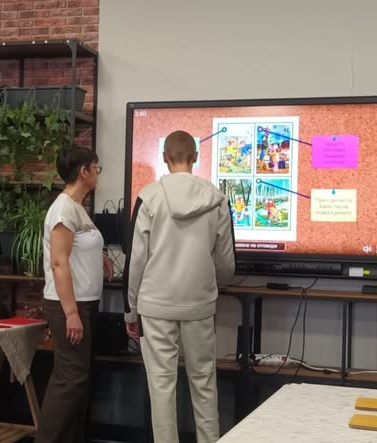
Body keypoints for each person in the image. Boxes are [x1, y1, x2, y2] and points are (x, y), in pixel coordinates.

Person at [123, 130, 235, 443]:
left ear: (165, 157)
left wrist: (131, 311)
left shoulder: (148, 197)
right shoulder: (217, 199)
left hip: (155, 305)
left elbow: (136, 262)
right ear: (195, 157)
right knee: (204, 382)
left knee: (161, 386)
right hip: (199, 303)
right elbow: (226, 262)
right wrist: (212, 285)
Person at [36, 147, 114, 443]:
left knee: (77, 380)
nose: (97, 173)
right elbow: (58, 263)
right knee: (69, 379)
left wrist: (99, 256)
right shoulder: (63, 210)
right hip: (68, 307)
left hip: (84, 304)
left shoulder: (77, 207)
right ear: (84, 172)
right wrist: (71, 313)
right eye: (96, 167)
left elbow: (78, 246)